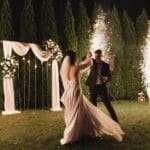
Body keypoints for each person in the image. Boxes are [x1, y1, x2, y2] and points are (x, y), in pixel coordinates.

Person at [60, 50, 124, 145]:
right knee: (77, 113)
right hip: (76, 92)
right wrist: (89, 56)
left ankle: (80, 132)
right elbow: (88, 64)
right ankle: (73, 134)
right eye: (76, 56)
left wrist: (87, 59)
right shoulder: (76, 67)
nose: (77, 57)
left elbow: (83, 67)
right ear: (74, 58)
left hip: (71, 93)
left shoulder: (69, 68)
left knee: (77, 113)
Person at [86, 49, 118, 122]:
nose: (97, 58)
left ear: (101, 56)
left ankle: (116, 121)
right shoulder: (92, 62)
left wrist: (106, 78)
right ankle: (94, 122)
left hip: (102, 87)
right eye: (96, 56)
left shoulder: (106, 65)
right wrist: (88, 55)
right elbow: (87, 58)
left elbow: (110, 77)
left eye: (98, 56)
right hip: (93, 87)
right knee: (93, 106)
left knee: (108, 105)